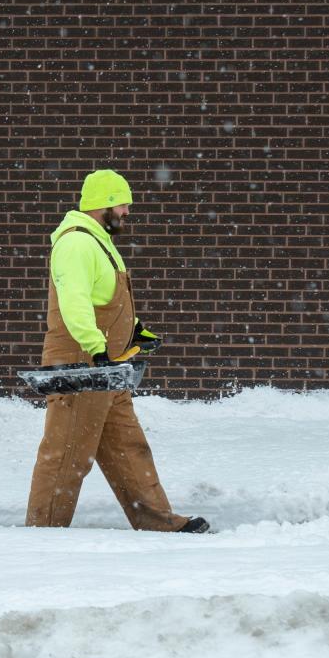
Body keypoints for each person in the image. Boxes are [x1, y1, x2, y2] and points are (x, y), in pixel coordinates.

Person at [25, 169, 209, 534]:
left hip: (107, 367)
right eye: (123, 204)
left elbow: (105, 298)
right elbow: (75, 303)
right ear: (104, 204)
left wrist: (135, 329)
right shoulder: (76, 243)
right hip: (84, 365)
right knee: (66, 455)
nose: (127, 211)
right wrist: (97, 350)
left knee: (128, 448)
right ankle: (42, 532)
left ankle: (158, 522)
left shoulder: (98, 242)